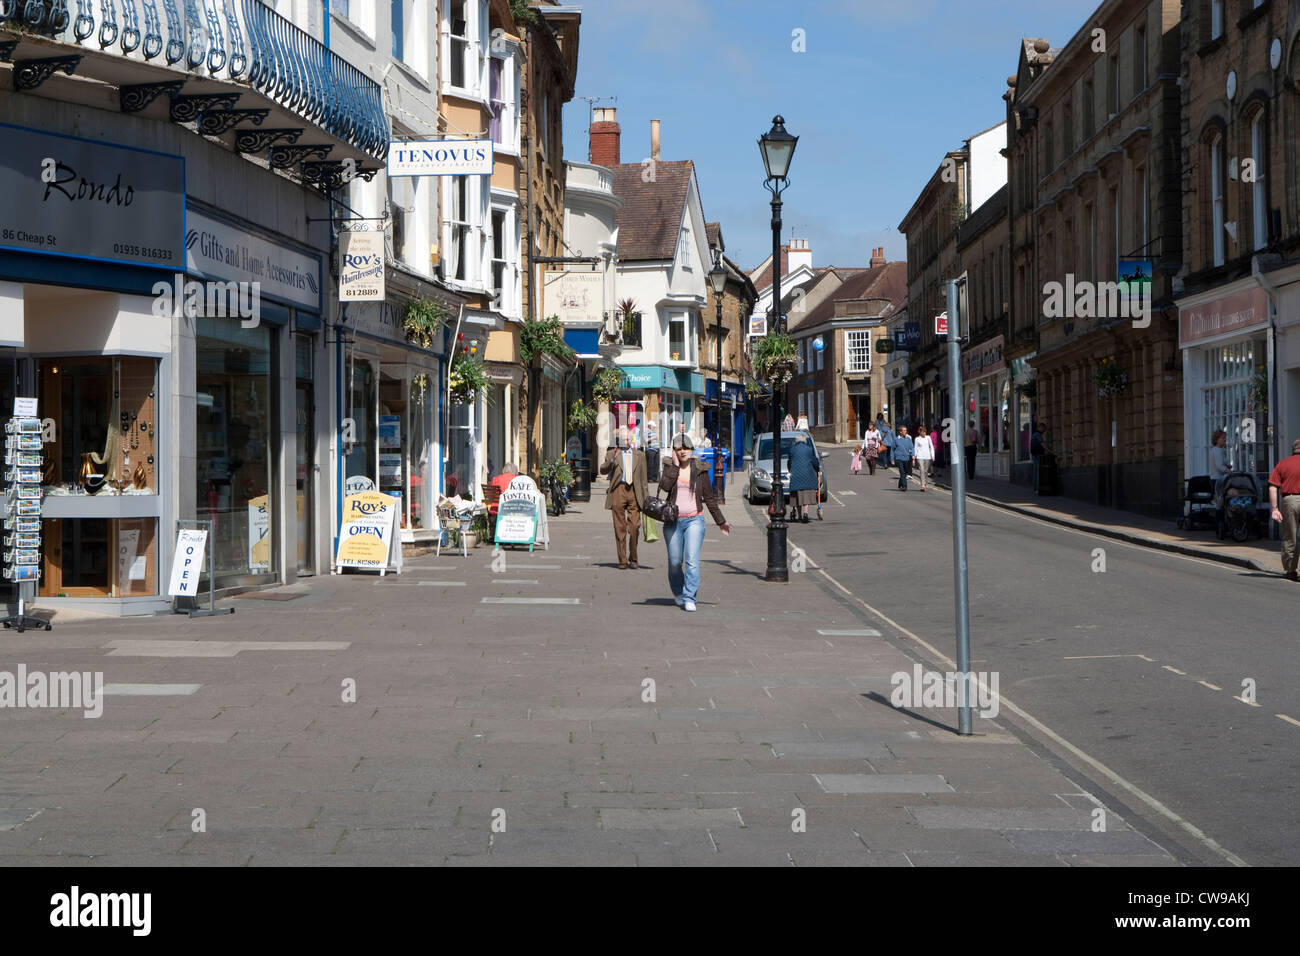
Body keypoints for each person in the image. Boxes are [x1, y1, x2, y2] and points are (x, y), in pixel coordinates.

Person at [658, 433, 730, 611]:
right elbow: (664, 486)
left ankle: (690, 597)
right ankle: (679, 593)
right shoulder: (669, 466)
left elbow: (710, 498)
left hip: (694, 520)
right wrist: (674, 467)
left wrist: (721, 521)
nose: (682, 451)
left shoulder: (700, 469)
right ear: (674, 450)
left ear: (691, 449)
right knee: (675, 562)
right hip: (673, 521)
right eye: (678, 448)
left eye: (685, 448)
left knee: (691, 559)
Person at [600, 429, 648, 569]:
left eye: (627, 439)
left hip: (634, 491)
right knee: (619, 527)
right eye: (622, 439)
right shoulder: (612, 453)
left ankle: (633, 557)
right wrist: (613, 459)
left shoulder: (640, 455)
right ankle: (622, 559)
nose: (625, 442)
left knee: (634, 527)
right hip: (618, 491)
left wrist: (646, 499)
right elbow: (603, 470)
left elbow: (644, 480)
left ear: (631, 440)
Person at [1267, 438, 1300, 582]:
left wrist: (1274, 508)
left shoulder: (1283, 464)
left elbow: (1273, 486)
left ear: (1293, 450)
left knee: (1290, 536)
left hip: (1290, 500)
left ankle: (1291, 570)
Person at [787, 433, 822, 522]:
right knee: (806, 494)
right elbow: (815, 461)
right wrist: (817, 469)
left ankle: (799, 516)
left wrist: (790, 470)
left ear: (796, 441)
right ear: (804, 441)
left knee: (797, 496)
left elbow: (789, 462)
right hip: (808, 475)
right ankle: (805, 513)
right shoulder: (809, 449)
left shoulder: (792, 450)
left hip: (796, 475)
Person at [893, 425, 915, 491]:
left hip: (906, 458)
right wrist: (892, 459)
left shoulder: (908, 439)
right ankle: (905, 486)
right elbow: (892, 449)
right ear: (900, 432)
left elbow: (912, 448)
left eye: (906, 430)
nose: (905, 432)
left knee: (904, 473)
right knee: (902, 472)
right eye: (904, 430)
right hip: (899, 458)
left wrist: (913, 456)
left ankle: (900, 484)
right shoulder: (896, 439)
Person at [1030, 423, 1048, 494]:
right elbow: (1042, 443)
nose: (1044, 431)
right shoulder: (1037, 435)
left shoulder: (1034, 434)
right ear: (1041, 428)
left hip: (1034, 454)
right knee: (1038, 472)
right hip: (1037, 455)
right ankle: (1037, 488)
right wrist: (1049, 450)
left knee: (1036, 471)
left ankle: (1035, 488)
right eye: (1044, 429)